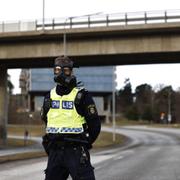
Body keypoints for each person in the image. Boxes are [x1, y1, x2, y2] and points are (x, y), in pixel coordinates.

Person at [41, 55, 101, 180]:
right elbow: (47, 121)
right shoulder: (49, 97)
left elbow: (95, 125)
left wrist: (84, 144)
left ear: (71, 71)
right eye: (58, 69)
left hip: (76, 150)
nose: (61, 73)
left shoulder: (82, 96)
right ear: (54, 71)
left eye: (66, 70)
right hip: (55, 152)